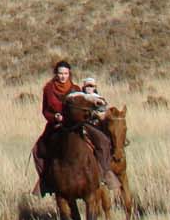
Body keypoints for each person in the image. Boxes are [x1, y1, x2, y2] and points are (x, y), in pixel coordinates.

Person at [34, 61, 113, 195]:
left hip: (77, 124)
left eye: (65, 73)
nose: (63, 76)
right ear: (56, 74)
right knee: (37, 149)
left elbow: (85, 107)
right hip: (56, 126)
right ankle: (46, 180)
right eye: (60, 73)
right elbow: (45, 111)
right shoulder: (48, 89)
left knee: (103, 141)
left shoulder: (75, 89)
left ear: (69, 74)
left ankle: (104, 173)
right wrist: (55, 117)